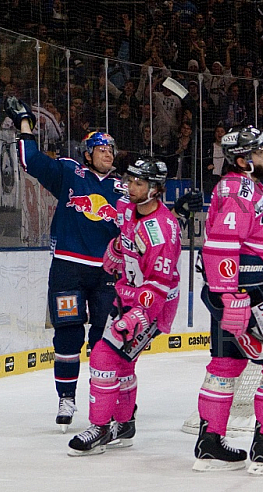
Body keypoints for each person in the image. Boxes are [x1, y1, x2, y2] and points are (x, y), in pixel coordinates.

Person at [5, 97, 125, 432]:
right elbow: (31, 161)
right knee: (68, 335)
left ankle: (107, 403)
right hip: (68, 270)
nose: (107, 153)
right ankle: (66, 397)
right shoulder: (71, 173)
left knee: (107, 341)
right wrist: (25, 123)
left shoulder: (125, 190)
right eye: (101, 148)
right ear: (88, 153)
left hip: (107, 274)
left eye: (111, 149)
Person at [193, 126, 263, 475]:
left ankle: (210, 443)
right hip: (245, 294)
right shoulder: (239, 189)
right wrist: (232, 296)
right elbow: (222, 245)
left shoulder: (248, 188)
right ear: (244, 161)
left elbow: (248, 246)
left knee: (226, 364)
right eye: (260, 153)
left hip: (241, 289)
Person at [67, 158, 182, 455]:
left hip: (152, 304)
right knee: (124, 362)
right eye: (130, 180)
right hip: (128, 295)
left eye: (139, 183)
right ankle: (125, 423)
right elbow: (124, 238)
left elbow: (159, 281)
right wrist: (117, 250)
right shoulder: (128, 209)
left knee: (104, 357)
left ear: (156, 189)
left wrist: (139, 316)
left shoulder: (161, 231)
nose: (131, 187)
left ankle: (101, 427)